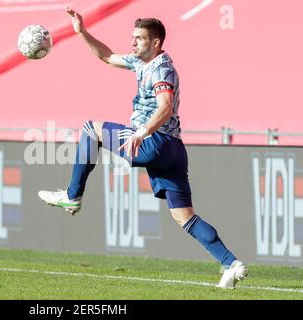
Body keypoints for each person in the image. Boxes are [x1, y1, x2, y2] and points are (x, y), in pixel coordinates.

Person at [38, 6, 248, 289]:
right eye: (133, 37)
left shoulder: (161, 68)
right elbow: (106, 56)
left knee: (90, 129)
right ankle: (230, 263)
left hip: (154, 141)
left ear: (156, 42)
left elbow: (165, 106)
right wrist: (82, 32)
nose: (133, 42)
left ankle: (73, 196)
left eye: (139, 38)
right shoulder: (140, 62)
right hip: (173, 150)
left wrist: (142, 132)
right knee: (183, 216)